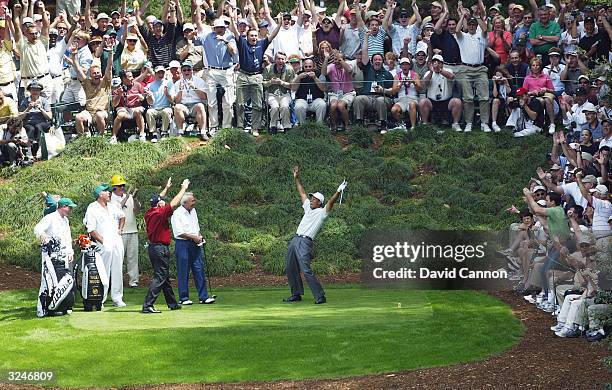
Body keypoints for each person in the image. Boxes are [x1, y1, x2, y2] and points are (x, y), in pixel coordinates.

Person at [284, 166, 347, 304]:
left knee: (305, 270)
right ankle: (296, 294)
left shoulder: (322, 213)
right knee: (290, 267)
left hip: (305, 243)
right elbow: (301, 192)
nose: (311, 200)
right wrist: (297, 177)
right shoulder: (307, 207)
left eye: (314, 199)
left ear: (319, 203)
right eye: (311, 198)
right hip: (295, 240)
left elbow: (331, 202)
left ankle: (320, 296)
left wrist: (338, 191)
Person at [142, 177, 191, 313]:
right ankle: (148, 305)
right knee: (160, 277)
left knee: (164, 277)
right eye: (162, 202)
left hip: (153, 248)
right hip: (160, 249)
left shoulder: (150, 212)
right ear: (158, 205)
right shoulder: (159, 213)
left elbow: (158, 198)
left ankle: (172, 303)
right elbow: (174, 203)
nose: (164, 202)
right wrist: (183, 188)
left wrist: (167, 187)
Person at [83, 184, 126, 307]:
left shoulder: (113, 206)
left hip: (116, 241)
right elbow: (91, 229)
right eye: (107, 192)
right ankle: (100, 298)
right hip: (103, 243)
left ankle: (117, 298)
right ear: (100, 194)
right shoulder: (92, 208)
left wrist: (120, 229)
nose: (109, 193)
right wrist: (103, 241)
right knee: (103, 270)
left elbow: (122, 216)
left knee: (118, 269)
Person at [34, 197, 77, 317]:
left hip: (63, 256)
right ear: (62, 207)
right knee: (48, 281)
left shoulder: (66, 220)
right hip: (49, 255)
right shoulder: (50, 218)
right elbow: (37, 229)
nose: (70, 210)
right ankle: (42, 309)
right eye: (69, 207)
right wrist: (44, 237)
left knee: (62, 282)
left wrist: (70, 251)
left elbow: (67, 238)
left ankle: (60, 306)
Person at [171, 192, 216, 305]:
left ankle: (203, 297)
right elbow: (179, 232)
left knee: (199, 268)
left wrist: (199, 236)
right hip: (182, 244)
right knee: (183, 270)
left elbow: (196, 227)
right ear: (185, 202)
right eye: (192, 201)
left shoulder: (193, 211)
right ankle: (184, 298)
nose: (194, 202)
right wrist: (194, 237)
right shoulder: (177, 213)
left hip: (195, 244)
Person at [110, 175, 141, 288]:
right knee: (118, 258)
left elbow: (137, 211)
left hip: (132, 230)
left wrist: (135, 199)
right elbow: (117, 208)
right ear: (114, 187)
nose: (122, 188)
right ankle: (117, 281)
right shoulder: (111, 198)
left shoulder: (129, 197)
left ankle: (134, 281)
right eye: (119, 186)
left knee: (133, 257)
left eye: (123, 185)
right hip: (119, 232)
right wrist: (127, 197)